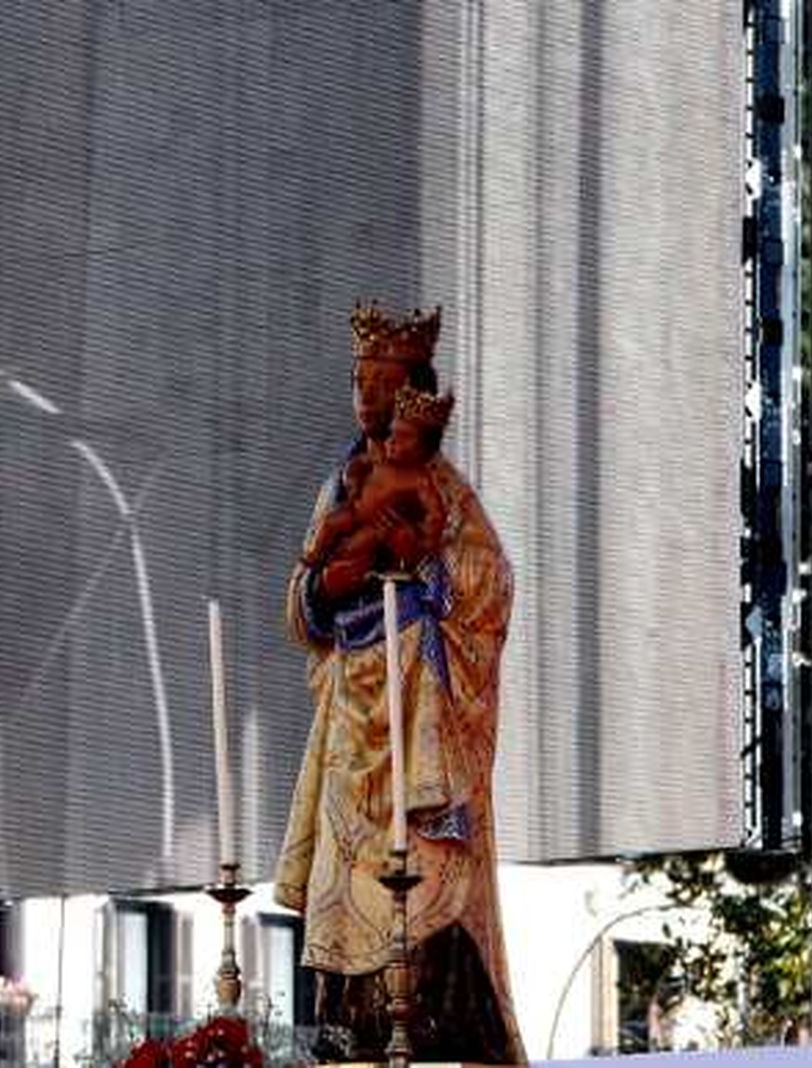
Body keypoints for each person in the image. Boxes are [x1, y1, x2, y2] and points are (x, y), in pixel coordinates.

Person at [273, 301, 526, 1064]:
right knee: (345, 887)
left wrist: (424, 572)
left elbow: (492, 581)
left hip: (420, 700)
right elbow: (304, 597)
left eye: (383, 384)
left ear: (415, 394)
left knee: (429, 884)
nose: (368, 399)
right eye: (359, 382)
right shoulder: (341, 484)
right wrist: (329, 586)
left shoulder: (444, 493)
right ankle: (350, 1034)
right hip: (355, 713)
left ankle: (437, 1032)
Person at [300, 382, 453, 579]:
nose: (391, 441)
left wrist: (422, 536)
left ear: (424, 449)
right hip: (355, 511)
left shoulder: (420, 479)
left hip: (379, 525)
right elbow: (357, 465)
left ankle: (339, 561)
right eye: (392, 433)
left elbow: (436, 513)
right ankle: (316, 554)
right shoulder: (381, 460)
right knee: (329, 523)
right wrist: (353, 482)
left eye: (403, 437)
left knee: (355, 547)